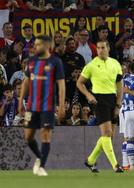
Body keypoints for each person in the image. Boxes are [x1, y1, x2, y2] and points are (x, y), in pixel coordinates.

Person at [18, 35, 66, 176]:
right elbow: (26, 82)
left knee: (45, 136)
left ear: (47, 46)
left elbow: (61, 85)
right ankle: (40, 157)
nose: (35, 47)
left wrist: (61, 106)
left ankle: (41, 167)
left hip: (48, 106)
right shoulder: (31, 62)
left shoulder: (55, 62)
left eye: (38, 44)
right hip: (32, 106)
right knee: (28, 136)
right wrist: (21, 101)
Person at [76, 40, 124, 173]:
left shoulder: (115, 63)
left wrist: (118, 104)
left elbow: (120, 86)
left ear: (108, 48)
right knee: (107, 133)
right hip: (99, 100)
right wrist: (88, 96)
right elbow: (80, 83)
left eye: (103, 47)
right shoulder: (91, 65)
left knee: (109, 136)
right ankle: (115, 165)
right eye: (98, 48)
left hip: (112, 99)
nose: (100, 50)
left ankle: (90, 160)